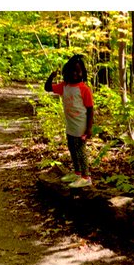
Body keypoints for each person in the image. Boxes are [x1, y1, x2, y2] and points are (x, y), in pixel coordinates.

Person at [44, 55, 94, 187]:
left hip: (80, 126)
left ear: (83, 72)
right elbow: (47, 88)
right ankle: (77, 173)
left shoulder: (84, 89)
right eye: (73, 71)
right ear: (67, 72)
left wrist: (89, 128)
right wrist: (51, 76)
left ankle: (86, 177)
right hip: (70, 126)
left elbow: (90, 109)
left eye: (79, 71)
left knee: (80, 151)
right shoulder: (64, 86)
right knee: (72, 149)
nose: (76, 74)